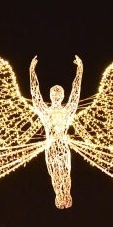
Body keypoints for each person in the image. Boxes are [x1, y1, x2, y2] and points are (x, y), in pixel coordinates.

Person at [29, 56, 83, 208]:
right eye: (54, 94)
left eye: (59, 94)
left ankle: (67, 195)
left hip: (63, 145)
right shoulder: (45, 112)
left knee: (65, 172)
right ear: (50, 96)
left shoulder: (67, 111)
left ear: (63, 96)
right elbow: (35, 95)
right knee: (55, 174)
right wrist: (32, 72)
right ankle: (59, 196)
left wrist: (79, 71)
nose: (56, 96)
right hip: (51, 146)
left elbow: (75, 93)